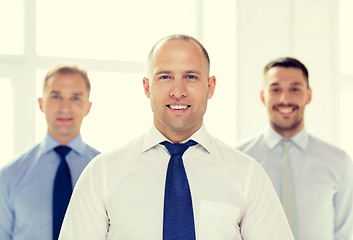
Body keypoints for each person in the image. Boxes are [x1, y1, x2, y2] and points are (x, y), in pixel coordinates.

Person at [59, 34, 293, 240]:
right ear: (147, 87)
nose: (178, 91)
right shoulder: (101, 174)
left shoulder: (247, 175)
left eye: (191, 77)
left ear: (210, 87)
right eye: (165, 77)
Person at [237, 57, 353, 240]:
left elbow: (344, 234)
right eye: (275, 89)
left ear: (308, 95)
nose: (285, 99)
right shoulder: (239, 159)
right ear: (263, 96)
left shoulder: (339, 162)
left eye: (295, 89)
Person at [0, 63, 100, 240]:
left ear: (88, 107)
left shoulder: (105, 171)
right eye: (55, 96)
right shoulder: (9, 176)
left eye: (75, 98)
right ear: (41, 103)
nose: (65, 108)